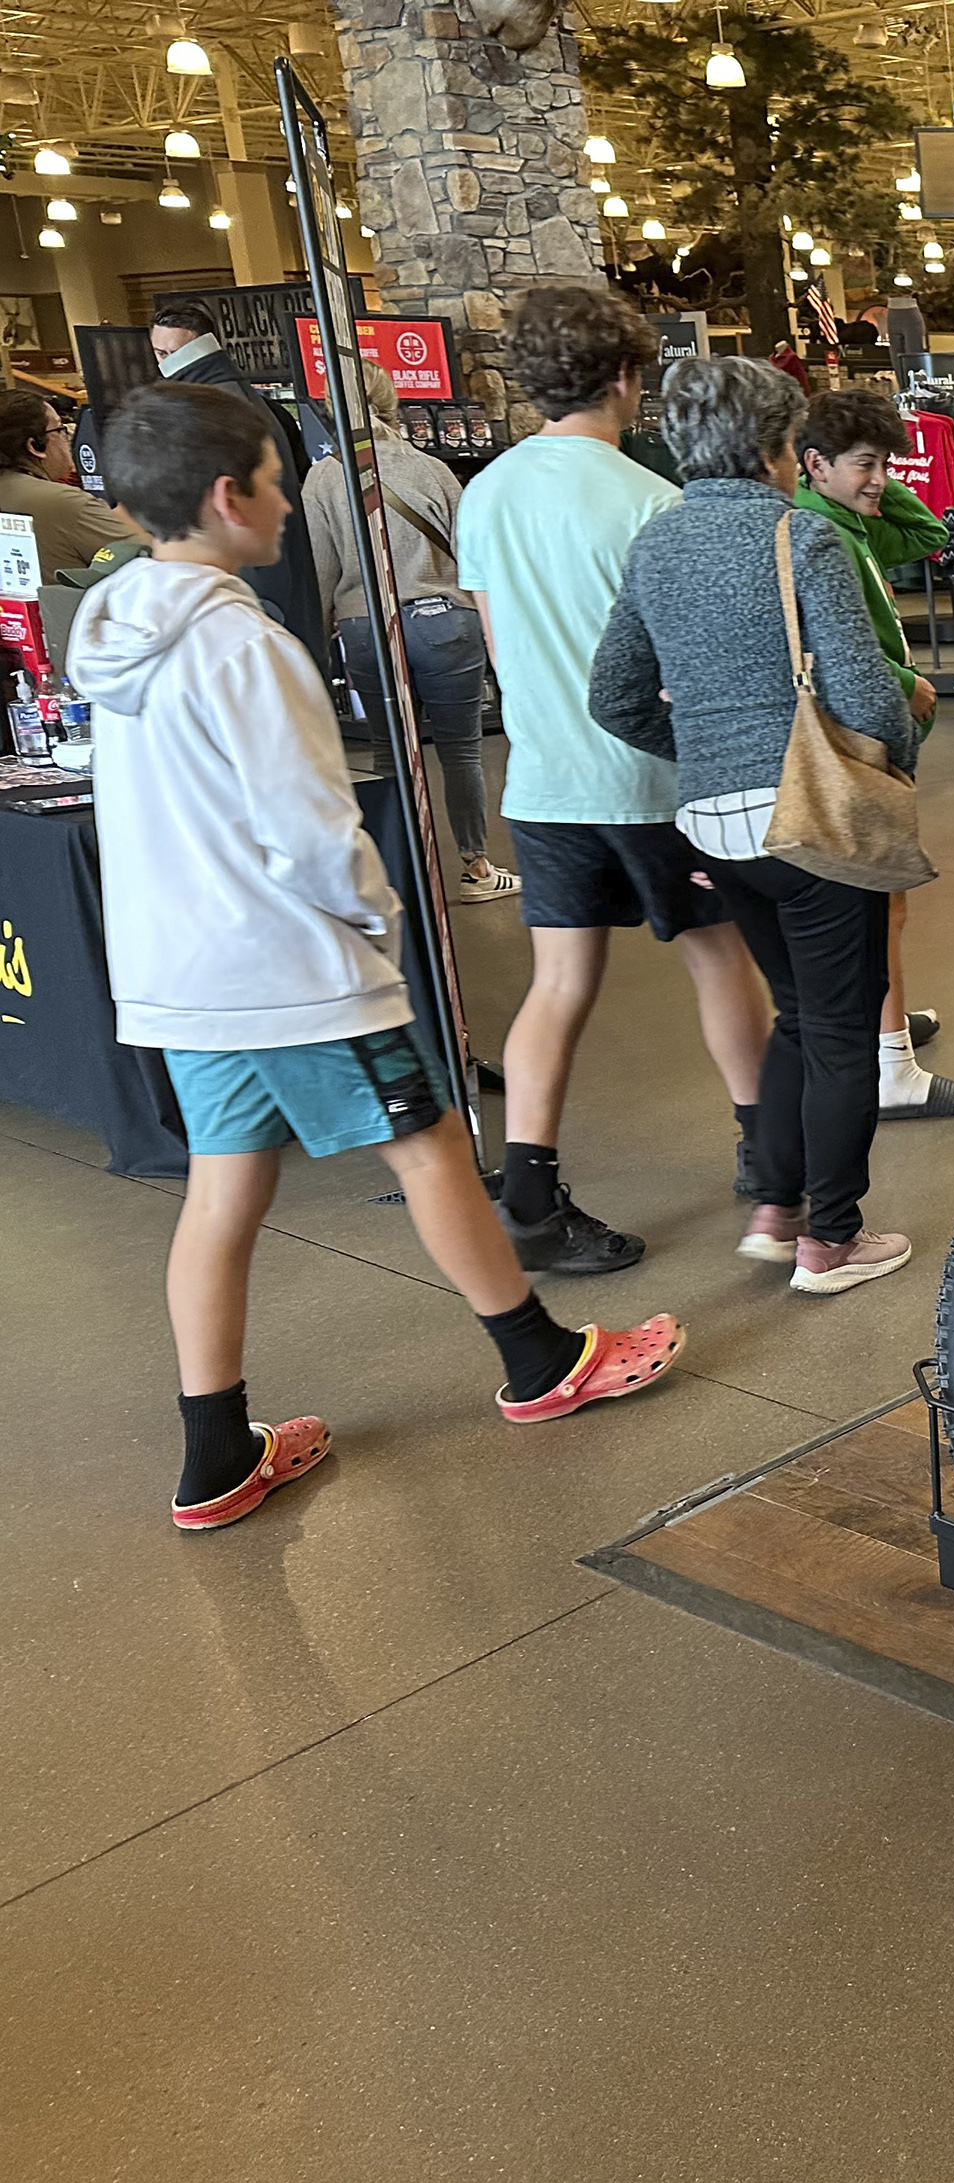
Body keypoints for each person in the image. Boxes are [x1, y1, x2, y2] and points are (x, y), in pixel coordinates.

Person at [70, 383, 685, 1530]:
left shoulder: (115, 637)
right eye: (276, 479)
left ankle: (215, 1455)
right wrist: (374, 923)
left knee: (223, 1193)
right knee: (432, 1149)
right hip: (295, 973)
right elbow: (309, 824)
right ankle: (541, 1360)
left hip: (182, 981)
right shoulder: (243, 646)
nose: (290, 506)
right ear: (227, 494)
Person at [457, 281, 773, 1276]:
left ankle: (533, 1199)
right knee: (720, 954)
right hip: (651, 779)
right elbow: (680, 665)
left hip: (543, 776)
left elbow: (498, 642)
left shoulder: (488, 492)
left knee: (559, 984)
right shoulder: (654, 502)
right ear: (629, 376)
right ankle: (770, 1160)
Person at [589, 356, 921, 1298]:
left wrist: (699, 747)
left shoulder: (656, 543)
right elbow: (865, 696)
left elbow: (613, 696)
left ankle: (778, 1210)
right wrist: (901, 734)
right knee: (846, 1032)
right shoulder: (799, 540)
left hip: (712, 824)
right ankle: (833, 1239)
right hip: (811, 820)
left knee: (799, 1020)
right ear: (780, 449)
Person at [791, 387, 954, 1122]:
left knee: (881, 904)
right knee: (881, 903)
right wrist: (909, 689)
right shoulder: (825, 533)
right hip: (858, 737)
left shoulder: (847, 523)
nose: (881, 477)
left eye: (886, 462)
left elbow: (929, 531)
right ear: (813, 463)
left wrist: (870, 481)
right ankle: (891, 1067)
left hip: (867, 732)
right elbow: (837, 645)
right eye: (865, 463)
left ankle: (887, 1030)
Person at [301, 362, 513, 904]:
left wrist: (323, 642)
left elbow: (322, 571)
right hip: (445, 619)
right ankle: (477, 866)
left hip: (366, 625)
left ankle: (401, 869)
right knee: (461, 750)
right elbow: (473, 557)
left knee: (388, 751)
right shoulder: (433, 470)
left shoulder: (324, 478)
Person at [146, 298, 326, 668]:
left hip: (252, 588)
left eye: (173, 352)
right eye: (159, 352)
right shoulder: (240, 402)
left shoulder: (207, 412)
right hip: (267, 584)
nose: (165, 362)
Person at [0, 389, 140, 578]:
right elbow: (146, 562)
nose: (67, 438)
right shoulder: (63, 502)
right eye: (60, 429)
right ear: (35, 446)